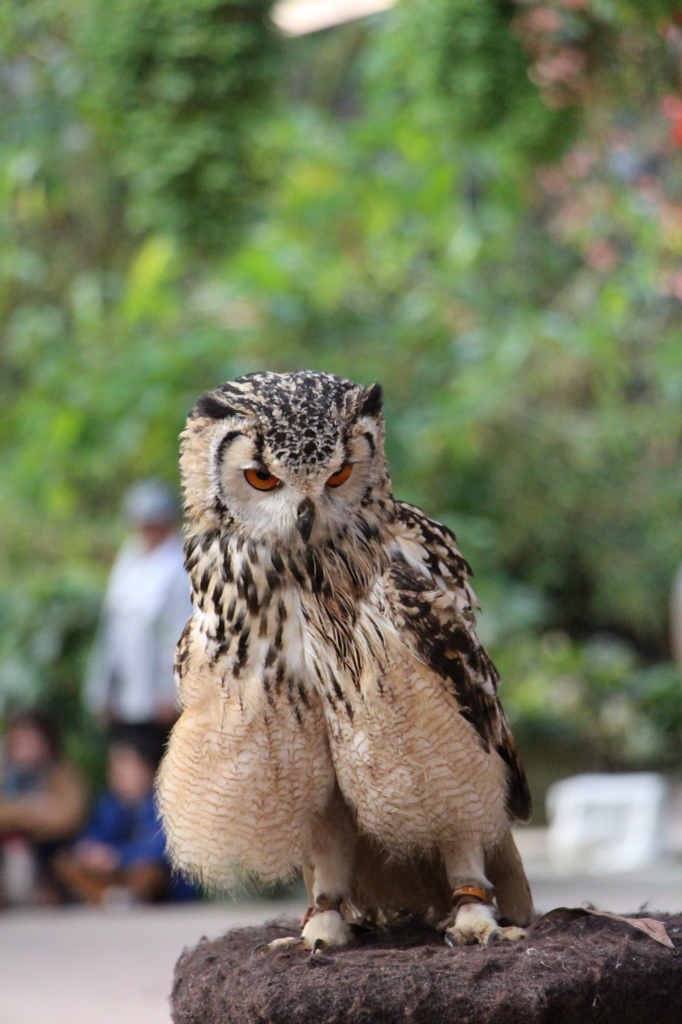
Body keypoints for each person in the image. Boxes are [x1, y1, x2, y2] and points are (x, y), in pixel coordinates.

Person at [84, 479, 192, 735]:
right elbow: (111, 626)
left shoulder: (181, 565)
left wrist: (173, 692)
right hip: (125, 698)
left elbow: (180, 631)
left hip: (160, 702)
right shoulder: (129, 558)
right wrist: (102, 691)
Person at [55, 726, 173, 905]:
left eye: (126, 764)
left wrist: (118, 857)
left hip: (146, 872)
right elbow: (94, 835)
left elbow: (161, 849)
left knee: (149, 872)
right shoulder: (108, 803)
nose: (118, 772)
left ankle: (121, 896)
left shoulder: (166, 804)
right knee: (66, 863)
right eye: (114, 765)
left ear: (151, 767)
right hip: (111, 870)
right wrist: (91, 852)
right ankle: (110, 897)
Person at [0, 711, 87, 905]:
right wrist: (32, 810)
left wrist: (15, 816)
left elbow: (67, 816)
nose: (26, 750)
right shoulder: (5, 775)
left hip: (49, 852)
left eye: (32, 742)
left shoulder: (63, 773)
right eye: (20, 743)